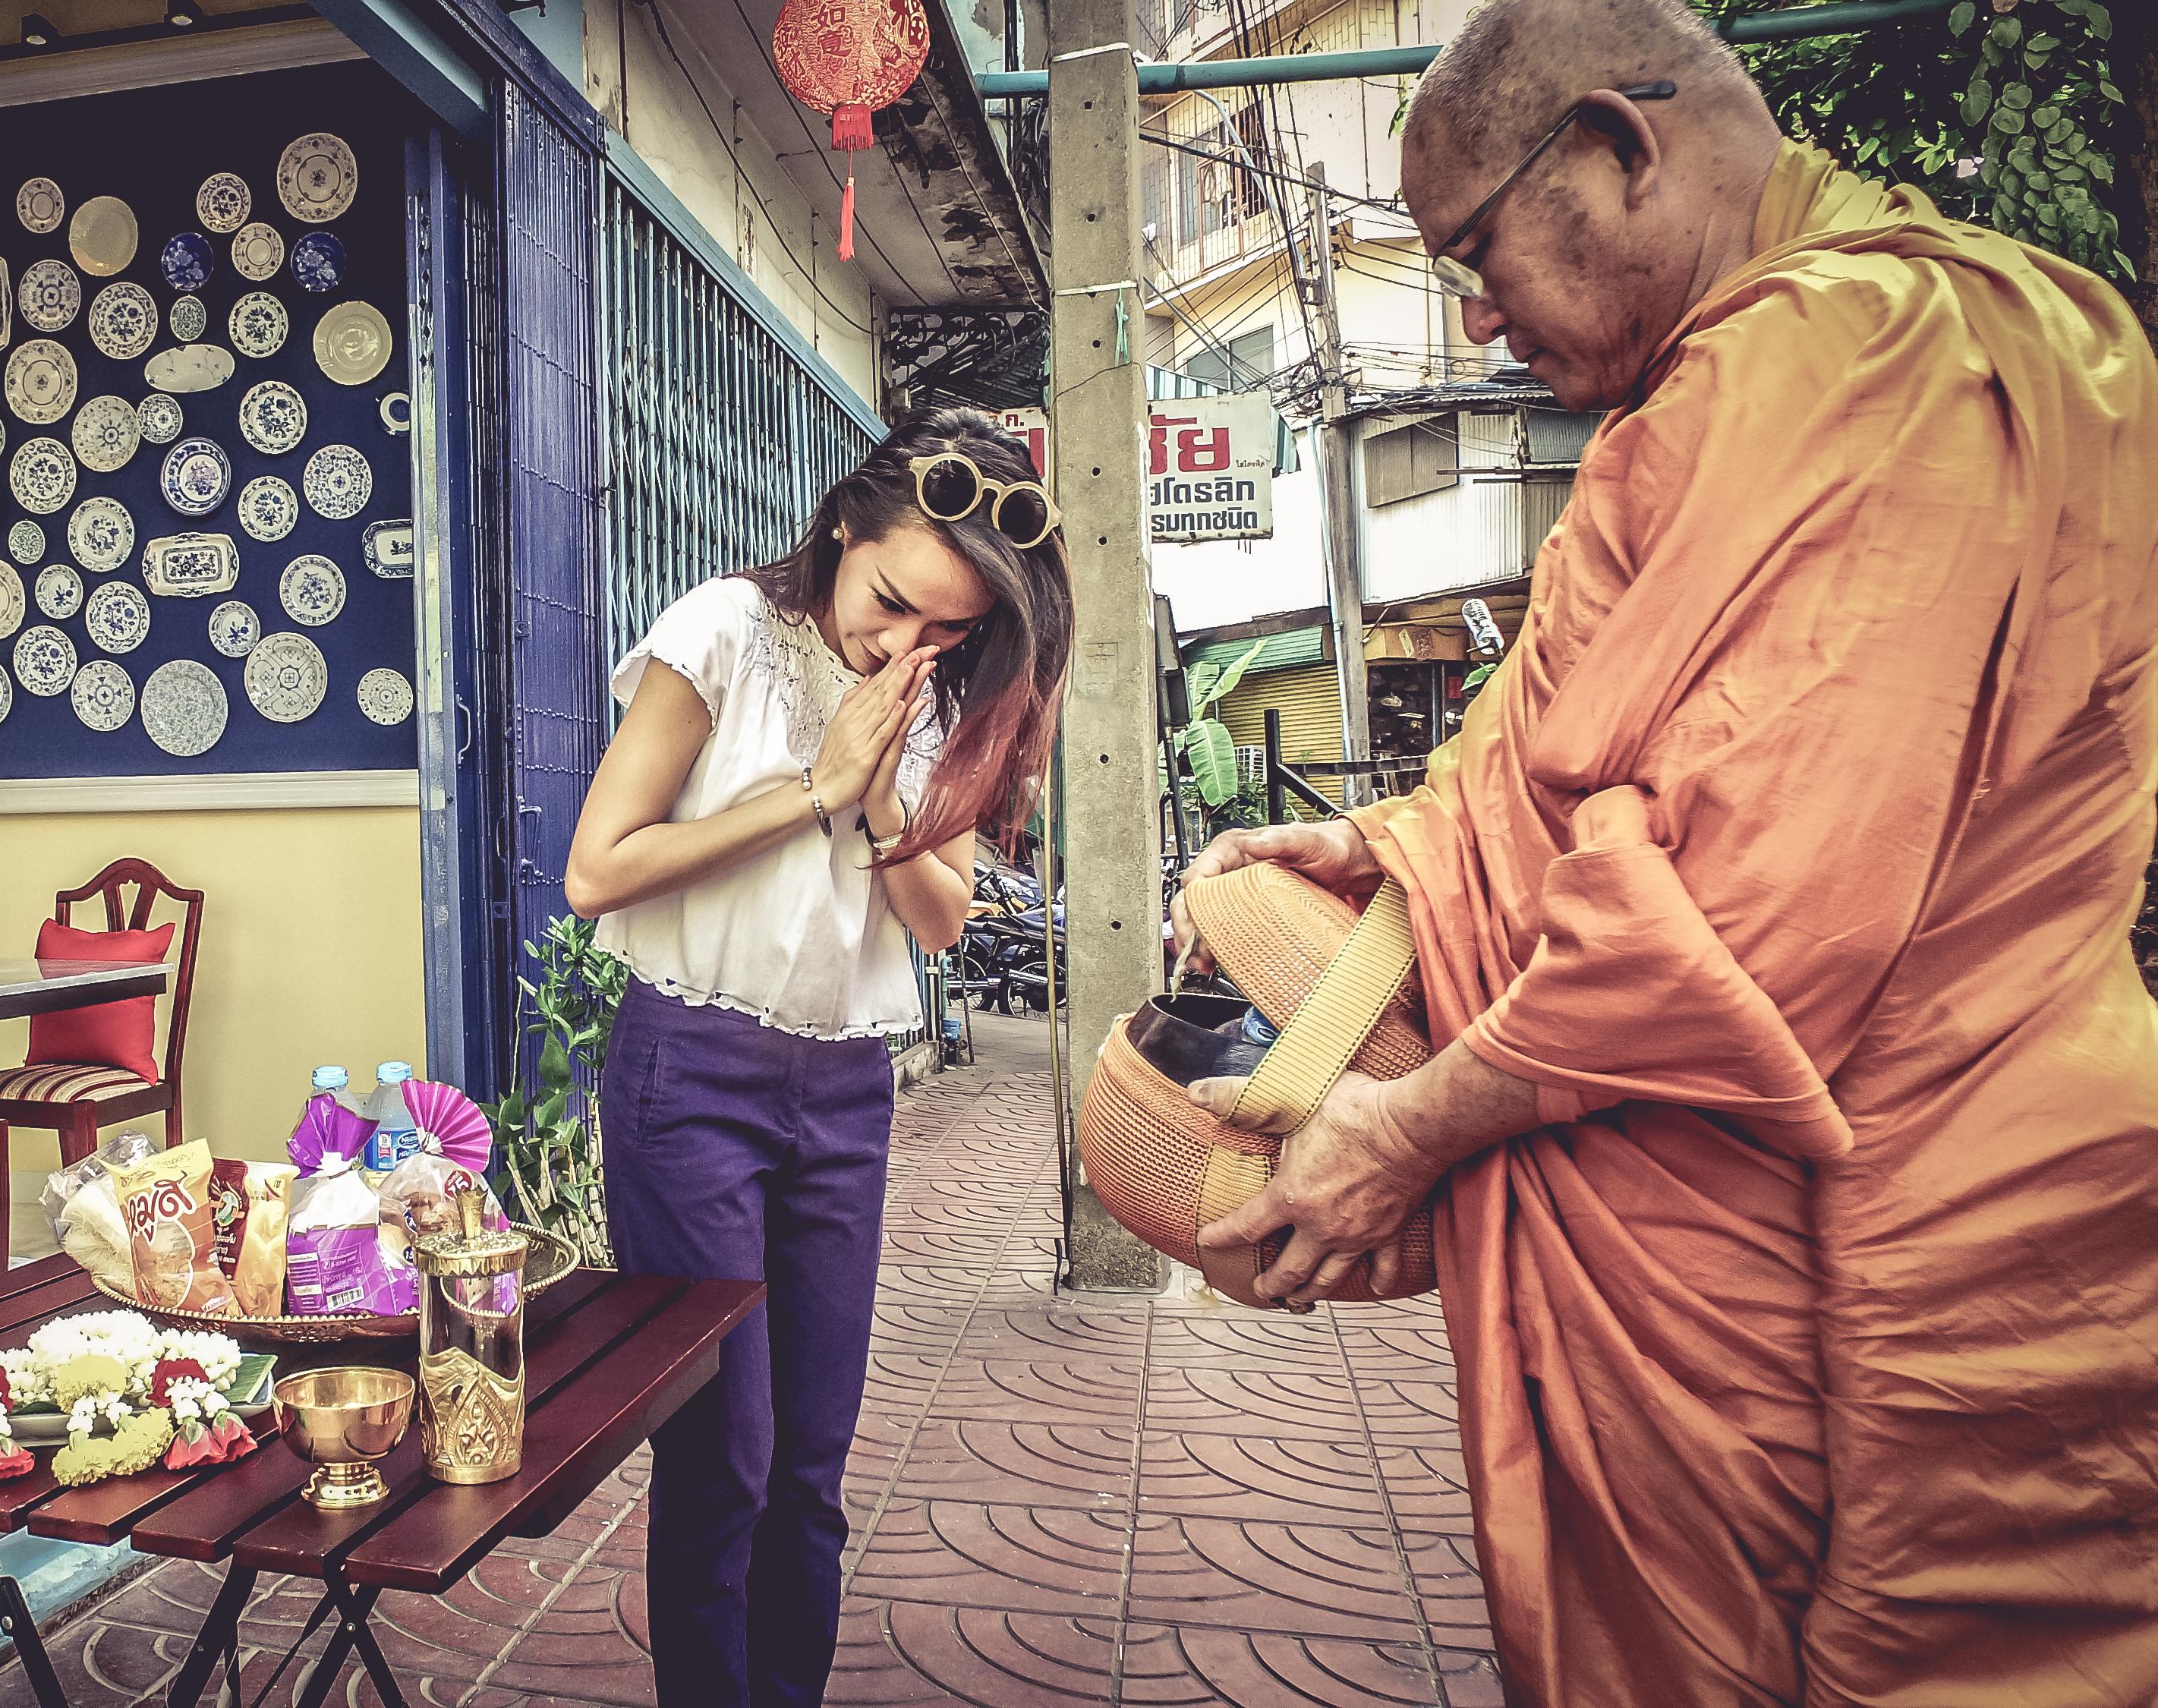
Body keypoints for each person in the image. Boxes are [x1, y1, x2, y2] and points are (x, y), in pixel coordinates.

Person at [1175, 2, 2158, 1702]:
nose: (1474, 322)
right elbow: (1590, 767)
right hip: (1889, 1188)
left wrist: (1399, 1132)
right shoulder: (1939, 350)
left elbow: (1739, 917)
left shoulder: (1862, 358)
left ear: (1620, 153)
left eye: (1473, 254)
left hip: (1834, 1252)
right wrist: (1390, 840)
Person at [565, 408, 1073, 1706]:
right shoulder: (723, 631)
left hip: (846, 1088)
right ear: (847, 523)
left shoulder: (934, 697)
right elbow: (596, 869)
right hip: (692, 1075)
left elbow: (943, 917)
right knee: (720, 1456)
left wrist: (892, 778)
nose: (907, 642)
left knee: (810, 1460)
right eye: (896, 601)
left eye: (948, 629)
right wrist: (814, 786)